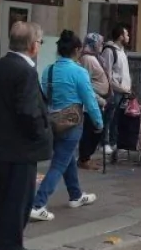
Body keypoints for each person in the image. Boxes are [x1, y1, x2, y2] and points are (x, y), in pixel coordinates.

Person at [0, 22, 51, 250]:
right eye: (39, 42)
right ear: (32, 45)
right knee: (18, 200)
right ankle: (9, 247)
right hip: (20, 149)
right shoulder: (25, 71)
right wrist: (40, 134)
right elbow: (28, 112)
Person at [30, 31, 103, 222]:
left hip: (52, 121)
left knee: (67, 157)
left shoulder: (48, 70)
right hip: (72, 122)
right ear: (77, 50)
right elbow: (89, 99)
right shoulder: (79, 72)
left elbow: (44, 95)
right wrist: (98, 122)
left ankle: (76, 195)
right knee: (59, 163)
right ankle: (38, 204)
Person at [77, 33, 110, 170]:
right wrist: (100, 100)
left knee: (96, 130)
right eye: (100, 44)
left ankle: (87, 157)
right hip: (94, 100)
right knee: (92, 130)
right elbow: (86, 84)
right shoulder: (88, 59)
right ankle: (84, 158)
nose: (101, 46)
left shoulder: (95, 58)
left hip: (99, 99)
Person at [100, 24, 132, 156]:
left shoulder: (122, 51)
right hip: (114, 91)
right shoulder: (109, 50)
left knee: (117, 118)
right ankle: (104, 143)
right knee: (108, 117)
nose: (128, 37)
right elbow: (107, 73)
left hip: (123, 91)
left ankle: (114, 142)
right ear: (120, 37)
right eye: (126, 34)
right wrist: (116, 87)